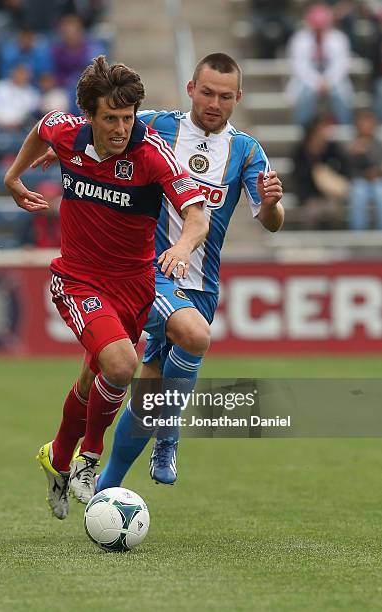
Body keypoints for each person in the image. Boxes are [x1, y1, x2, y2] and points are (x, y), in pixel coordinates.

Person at [33, 53, 284, 491]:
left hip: (201, 283)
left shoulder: (246, 150)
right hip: (149, 270)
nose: (214, 103)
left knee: (136, 386)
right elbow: (100, 135)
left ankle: (102, 487)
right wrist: (62, 154)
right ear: (190, 90)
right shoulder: (153, 125)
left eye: (225, 96)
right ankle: (166, 439)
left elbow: (270, 220)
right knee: (189, 338)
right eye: (206, 92)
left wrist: (271, 203)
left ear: (238, 99)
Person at [4, 55, 208, 520]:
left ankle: (57, 457)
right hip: (77, 278)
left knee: (92, 377)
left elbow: (198, 214)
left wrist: (182, 247)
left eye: (127, 118)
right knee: (121, 364)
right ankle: (88, 459)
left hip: (135, 286)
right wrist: (13, 178)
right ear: (89, 116)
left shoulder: (152, 154)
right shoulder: (67, 133)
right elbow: (42, 126)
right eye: (110, 118)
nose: (120, 128)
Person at [286, 2, 353, 126]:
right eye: (316, 27)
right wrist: (317, 83)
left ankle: (345, 128)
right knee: (305, 96)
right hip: (307, 82)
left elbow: (341, 65)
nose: (319, 30)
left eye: (321, 27)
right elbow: (299, 66)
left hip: (334, 82)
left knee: (341, 98)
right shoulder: (299, 39)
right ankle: (303, 129)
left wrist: (328, 82)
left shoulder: (339, 38)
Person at [347, 109, 382, 230]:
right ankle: (358, 233)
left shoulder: (378, 144)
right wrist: (353, 153)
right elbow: (348, 169)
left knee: (380, 193)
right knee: (359, 194)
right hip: (359, 180)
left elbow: (378, 164)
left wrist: (376, 171)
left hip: (377, 180)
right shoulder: (352, 145)